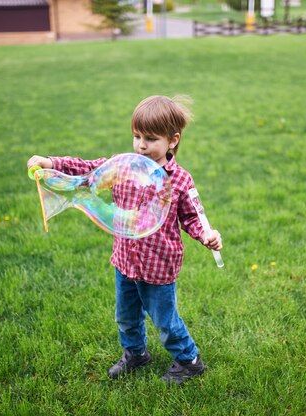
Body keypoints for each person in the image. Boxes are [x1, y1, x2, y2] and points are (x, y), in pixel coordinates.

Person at [26, 95, 223, 384]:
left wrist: (206, 234)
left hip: (158, 267)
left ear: (172, 140)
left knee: (165, 321)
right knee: (126, 317)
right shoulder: (124, 166)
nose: (141, 145)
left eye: (151, 138)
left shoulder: (180, 179)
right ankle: (135, 353)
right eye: (136, 136)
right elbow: (86, 168)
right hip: (126, 261)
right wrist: (51, 162)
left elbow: (193, 216)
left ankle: (189, 361)